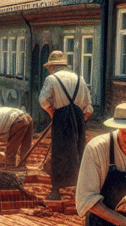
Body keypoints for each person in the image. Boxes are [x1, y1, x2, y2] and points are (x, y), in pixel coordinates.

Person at [39, 51, 93, 201]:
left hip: (61, 118)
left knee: (59, 154)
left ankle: (56, 191)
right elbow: (89, 108)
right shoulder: (80, 79)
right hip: (79, 118)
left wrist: (52, 113)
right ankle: (80, 191)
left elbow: (43, 100)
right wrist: (79, 122)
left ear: (53, 67)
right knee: (79, 152)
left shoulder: (52, 79)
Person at [0, 100, 34, 172]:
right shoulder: (1, 111)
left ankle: (10, 171)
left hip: (19, 120)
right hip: (27, 117)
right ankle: (22, 167)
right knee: (25, 146)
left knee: (10, 152)